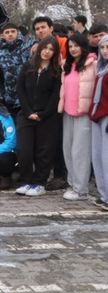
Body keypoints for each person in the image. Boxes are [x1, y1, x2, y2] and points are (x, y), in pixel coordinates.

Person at [13, 38, 61, 196]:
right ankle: (25, 180)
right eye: (45, 48)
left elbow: (55, 96)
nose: (47, 51)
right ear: (39, 49)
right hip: (26, 115)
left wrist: (42, 114)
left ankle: (40, 182)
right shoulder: (28, 67)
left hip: (47, 117)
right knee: (24, 150)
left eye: (51, 49)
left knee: (44, 151)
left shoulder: (56, 71)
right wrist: (28, 112)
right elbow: (20, 89)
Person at [58, 33, 96, 201]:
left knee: (80, 152)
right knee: (68, 150)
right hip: (67, 112)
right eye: (70, 46)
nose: (73, 49)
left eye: (76, 45)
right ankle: (73, 183)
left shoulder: (92, 64)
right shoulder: (67, 65)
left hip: (84, 114)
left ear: (83, 46)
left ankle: (81, 189)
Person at [0, 22, 33, 112]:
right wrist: (2, 96)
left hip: (30, 99)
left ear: (17, 33)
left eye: (12, 31)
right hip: (10, 102)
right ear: (3, 35)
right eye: (7, 32)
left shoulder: (29, 47)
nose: (10, 34)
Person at [89, 36, 108, 210]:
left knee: (106, 157)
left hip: (106, 116)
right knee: (98, 157)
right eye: (102, 47)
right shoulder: (101, 69)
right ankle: (104, 195)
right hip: (97, 115)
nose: (105, 51)